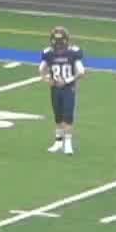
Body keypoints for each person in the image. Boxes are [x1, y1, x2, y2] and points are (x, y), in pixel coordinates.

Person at [40, 26, 86, 156]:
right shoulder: (49, 53)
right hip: (55, 88)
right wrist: (47, 79)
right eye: (56, 41)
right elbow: (41, 69)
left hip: (68, 88)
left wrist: (67, 80)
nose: (58, 44)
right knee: (58, 116)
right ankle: (58, 142)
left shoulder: (73, 53)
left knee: (68, 116)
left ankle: (68, 143)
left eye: (60, 41)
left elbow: (81, 72)